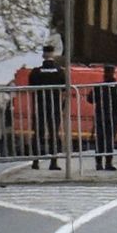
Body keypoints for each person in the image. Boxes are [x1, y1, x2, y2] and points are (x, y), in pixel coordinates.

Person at [26, 43, 68, 171]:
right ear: (53, 55)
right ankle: (53, 162)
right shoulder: (60, 71)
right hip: (54, 106)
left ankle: (35, 161)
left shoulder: (36, 72)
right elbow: (65, 90)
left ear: (43, 55)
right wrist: (62, 106)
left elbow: (31, 87)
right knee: (54, 134)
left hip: (40, 106)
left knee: (38, 134)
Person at [89, 74, 117, 173]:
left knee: (100, 139)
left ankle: (99, 163)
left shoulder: (99, 86)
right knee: (110, 140)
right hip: (113, 116)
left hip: (101, 115)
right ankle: (108, 163)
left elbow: (90, 99)